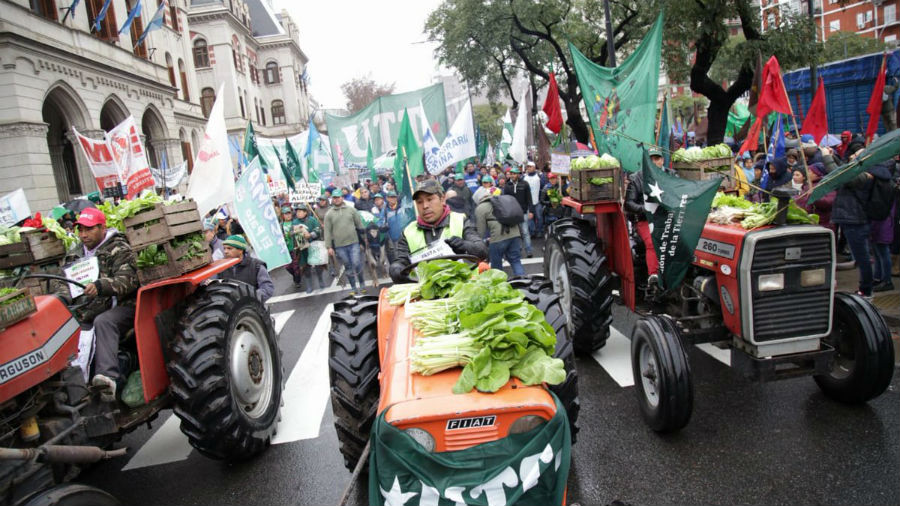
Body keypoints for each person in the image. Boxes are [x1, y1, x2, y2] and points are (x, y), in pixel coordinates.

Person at [53, 207, 138, 403]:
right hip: (86, 308)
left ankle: (107, 378)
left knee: (103, 321)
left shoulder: (119, 248)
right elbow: (61, 281)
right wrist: (63, 297)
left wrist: (100, 286)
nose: (83, 235)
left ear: (102, 227)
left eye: (89, 229)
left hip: (122, 305)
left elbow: (128, 280)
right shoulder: (75, 253)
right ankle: (72, 387)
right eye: (80, 230)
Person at [389, 179, 487, 283]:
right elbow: (401, 260)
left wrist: (465, 245)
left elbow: (482, 250)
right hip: (427, 294)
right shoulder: (408, 232)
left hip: (463, 289)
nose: (425, 206)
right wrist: (395, 268)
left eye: (430, 199)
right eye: (419, 202)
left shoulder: (461, 220)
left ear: (442, 198)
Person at [823, 145, 887, 300]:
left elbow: (840, 176)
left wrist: (826, 158)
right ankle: (866, 287)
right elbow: (844, 170)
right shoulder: (861, 172)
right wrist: (835, 157)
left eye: (857, 155)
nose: (852, 156)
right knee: (862, 256)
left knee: (862, 257)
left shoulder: (866, 176)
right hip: (852, 219)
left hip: (856, 220)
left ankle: (866, 290)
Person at [624, 148, 671, 286]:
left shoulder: (671, 176)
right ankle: (653, 276)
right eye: (651, 159)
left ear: (662, 160)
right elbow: (629, 204)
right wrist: (646, 210)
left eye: (657, 159)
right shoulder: (636, 178)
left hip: (668, 218)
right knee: (652, 242)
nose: (654, 162)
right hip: (645, 220)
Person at [323, 188, 367, 294]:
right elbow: (327, 231)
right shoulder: (329, 214)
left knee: (356, 263)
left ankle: (362, 284)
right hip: (339, 246)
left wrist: (365, 238)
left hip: (354, 242)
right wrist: (328, 247)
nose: (336, 199)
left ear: (342, 198)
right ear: (332, 199)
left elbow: (359, 225)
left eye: (338, 197)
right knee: (348, 266)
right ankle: (353, 287)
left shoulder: (351, 210)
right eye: (334, 198)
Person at [475, 187, 524, 277]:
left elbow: (480, 230)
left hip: (498, 238)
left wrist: (480, 242)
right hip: (514, 233)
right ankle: (523, 281)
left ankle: (500, 285)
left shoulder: (481, 207)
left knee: (496, 264)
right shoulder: (503, 201)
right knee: (515, 261)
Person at [219, 235, 275, 302]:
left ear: (240, 250)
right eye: (224, 248)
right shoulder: (221, 267)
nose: (225, 251)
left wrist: (248, 300)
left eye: (229, 248)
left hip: (253, 309)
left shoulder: (256, 265)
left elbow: (267, 288)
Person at [293, 204, 327, 293]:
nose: (298, 213)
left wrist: (311, 234)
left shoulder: (312, 220)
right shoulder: (295, 222)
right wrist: (293, 233)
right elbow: (292, 232)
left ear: (305, 212)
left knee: (318, 265)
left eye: (300, 211)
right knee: (305, 267)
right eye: (297, 211)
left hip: (313, 245)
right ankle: (309, 285)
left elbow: (318, 230)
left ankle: (320, 279)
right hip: (302, 248)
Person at [503, 166, 534, 258]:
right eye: (511, 173)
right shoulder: (507, 185)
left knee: (525, 232)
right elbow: (505, 200)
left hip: (523, 211)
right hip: (512, 213)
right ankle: (517, 250)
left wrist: (531, 211)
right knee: (515, 234)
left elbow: (529, 198)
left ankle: (529, 250)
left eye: (514, 173)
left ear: (518, 174)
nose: (512, 175)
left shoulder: (525, 184)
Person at [382, 190, 415, 265]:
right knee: (399, 257)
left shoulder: (403, 206)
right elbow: (381, 222)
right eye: (391, 197)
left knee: (411, 254)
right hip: (394, 239)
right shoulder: (385, 210)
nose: (393, 199)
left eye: (394, 197)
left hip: (406, 236)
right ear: (387, 198)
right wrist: (382, 226)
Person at [281, 206, 303, 289]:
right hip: (285, 250)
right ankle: (295, 275)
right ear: (282, 215)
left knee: (295, 266)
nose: (287, 215)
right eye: (285, 214)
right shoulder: (280, 225)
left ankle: (297, 281)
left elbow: (300, 232)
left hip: (295, 248)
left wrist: (294, 232)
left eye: (289, 213)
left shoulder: (295, 222)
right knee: (287, 267)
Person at [523, 161, 543, 237]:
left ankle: (539, 231)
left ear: (534, 167)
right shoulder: (525, 177)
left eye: (530, 166)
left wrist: (541, 199)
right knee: (530, 218)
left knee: (539, 217)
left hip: (537, 201)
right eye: (528, 167)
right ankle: (532, 232)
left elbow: (542, 187)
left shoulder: (539, 177)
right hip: (528, 202)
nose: (529, 168)